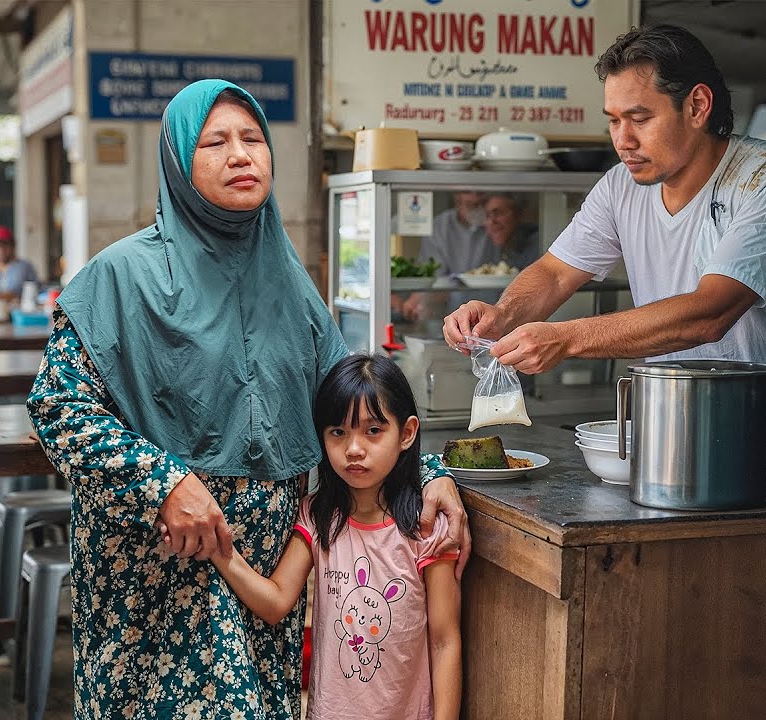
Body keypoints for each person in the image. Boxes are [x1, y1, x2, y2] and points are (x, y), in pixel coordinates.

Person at [25, 79, 469, 719]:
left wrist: (429, 473)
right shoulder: (120, 276)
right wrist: (165, 483)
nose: (241, 155)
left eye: (253, 139)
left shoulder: (289, 282)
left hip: (264, 570)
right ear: (179, 161)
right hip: (159, 571)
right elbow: (59, 409)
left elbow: (354, 404)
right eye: (216, 142)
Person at [443, 24, 766, 374]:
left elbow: (710, 313)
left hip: (761, 412)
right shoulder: (620, 186)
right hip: (666, 405)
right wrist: (500, 315)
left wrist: (566, 338)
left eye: (639, 119)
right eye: (613, 121)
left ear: (697, 106)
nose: (623, 140)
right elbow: (555, 273)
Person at [189, 353, 461, 720]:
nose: (353, 448)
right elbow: (275, 602)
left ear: (407, 433)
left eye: (373, 431)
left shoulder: (425, 527)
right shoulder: (318, 519)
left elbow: (444, 640)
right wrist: (221, 552)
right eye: (338, 432)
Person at [401, 192, 540, 322]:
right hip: (470, 321)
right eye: (487, 215)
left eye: (498, 213)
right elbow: (436, 283)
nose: (492, 221)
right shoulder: (441, 227)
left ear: (519, 215)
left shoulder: (534, 243)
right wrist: (421, 298)